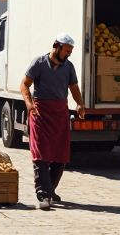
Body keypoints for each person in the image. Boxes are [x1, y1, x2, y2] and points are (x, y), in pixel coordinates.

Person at [21, 33, 86, 211]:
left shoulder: (69, 67)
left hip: (59, 113)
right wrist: (29, 104)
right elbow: (25, 84)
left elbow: (73, 88)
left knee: (60, 155)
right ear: (56, 46)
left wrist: (80, 104)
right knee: (41, 154)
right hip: (40, 113)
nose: (69, 54)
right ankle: (43, 194)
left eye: (71, 51)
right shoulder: (39, 63)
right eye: (67, 50)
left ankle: (50, 189)